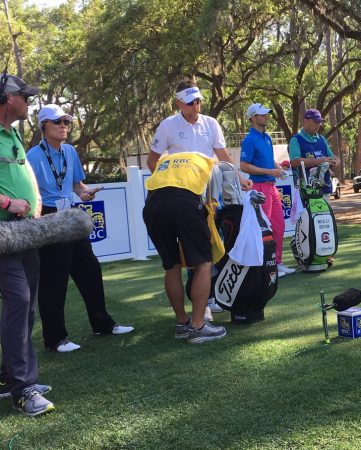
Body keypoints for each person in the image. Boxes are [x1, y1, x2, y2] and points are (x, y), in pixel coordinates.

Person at [144, 80, 250, 342]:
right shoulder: (168, 124)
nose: (196, 105)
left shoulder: (211, 123)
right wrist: (174, 180)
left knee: (179, 262)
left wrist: (238, 177)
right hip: (187, 199)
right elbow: (152, 160)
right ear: (178, 102)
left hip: (179, 199)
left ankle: (189, 319)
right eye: (190, 101)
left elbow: (223, 156)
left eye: (198, 100)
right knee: (201, 260)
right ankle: (198, 324)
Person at [26, 104, 134, 353]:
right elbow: (32, 191)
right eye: (58, 122)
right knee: (55, 279)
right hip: (49, 217)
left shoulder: (70, 151)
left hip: (72, 214)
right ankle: (55, 339)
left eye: (66, 122)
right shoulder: (33, 156)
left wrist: (85, 192)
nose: (64, 126)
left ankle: (102, 324)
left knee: (89, 269)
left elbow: (76, 184)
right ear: (44, 126)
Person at [0, 74, 55, 416]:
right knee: (19, 300)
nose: (29, 101)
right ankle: (23, 388)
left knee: (27, 304)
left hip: (26, 233)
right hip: (3, 235)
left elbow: (26, 175)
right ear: (7, 100)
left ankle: (10, 375)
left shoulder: (15, 134)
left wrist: (33, 200)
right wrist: (7, 204)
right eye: (24, 96)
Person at [239, 103, 294, 278]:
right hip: (259, 188)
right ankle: (265, 266)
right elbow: (244, 166)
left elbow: (268, 161)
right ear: (253, 118)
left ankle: (277, 263)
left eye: (266, 114)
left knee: (279, 225)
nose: (266, 117)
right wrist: (271, 171)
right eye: (262, 115)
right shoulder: (249, 140)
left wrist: (277, 167)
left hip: (271, 187)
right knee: (264, 228)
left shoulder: (267, 138)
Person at [289, 109, 340, 202]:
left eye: (319, 122)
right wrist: (319, 161)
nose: (318, 125)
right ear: (306, 121)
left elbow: (333, 157)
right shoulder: (296, 140)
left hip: (324, 189)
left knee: (325, 217)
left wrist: (336, 162)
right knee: (308, 217)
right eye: (315, 122)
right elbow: (294, 162)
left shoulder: (322, 139)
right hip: (305, 192)